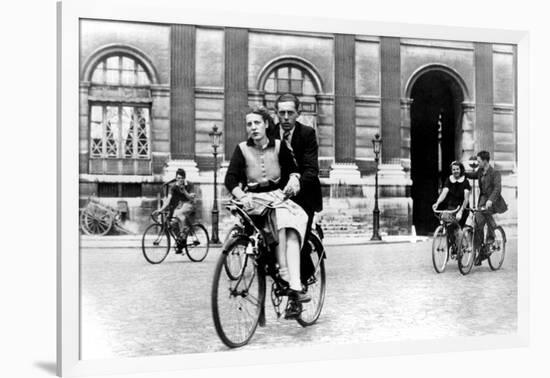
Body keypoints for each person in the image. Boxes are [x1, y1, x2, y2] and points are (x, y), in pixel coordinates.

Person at [224, 105, 311, 305]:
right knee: (279, 220)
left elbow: (293, 170)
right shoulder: (242, 149)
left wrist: (293, 180)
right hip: (253, 199)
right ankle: (284, 273)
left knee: (290, 228)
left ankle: (294, 282)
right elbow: (231, 178)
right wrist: (240, 194)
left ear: (265, 125)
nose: (253, 128)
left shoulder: (280, 146)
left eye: (257, 123)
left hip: (277, 197)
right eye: (249, 124)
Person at [267, 93, 323, 281]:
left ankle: (300, 287)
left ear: (297, 114)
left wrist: (298, 180)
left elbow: (311, 168)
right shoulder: (270, 134)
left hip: (305, 195)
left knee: (296, 240)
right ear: (276, 113)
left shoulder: (307, 134)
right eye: (281, 112)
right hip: (280, 195)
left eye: (290, 112)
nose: (285, 117)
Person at [465, 151, 508, 264]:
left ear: (485, 161)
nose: (478, 163)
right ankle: (480, 250)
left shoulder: (495, 173)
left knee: (487, 212)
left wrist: (490, 200)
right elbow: (473, 175)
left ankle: (491, 238)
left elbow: (497, 189)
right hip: (483, 199)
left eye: (479, 161)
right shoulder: (480, 171)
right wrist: (461, 173)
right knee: (478, 223)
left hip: (493, 200)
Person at [432, 161, 471, 251]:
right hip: (451, 207)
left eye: (457, 169)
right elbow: (444, 192)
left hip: (462, 208)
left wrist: (461, 212)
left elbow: (466, 199)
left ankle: (463, 244)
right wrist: (437, 203)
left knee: (457, 227)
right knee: (447, 223)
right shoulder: (449, 180)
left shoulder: (465, 181)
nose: (455, 171)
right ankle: (454, 245)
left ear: (460, 170)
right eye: (453, 169)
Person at [154, 168, 196, 250]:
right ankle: (180, 243)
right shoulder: (173, 187)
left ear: (184, 178)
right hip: (180, 206)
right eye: (178, 178)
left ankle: (183, 234)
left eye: (182, 178)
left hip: (189, 204)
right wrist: (161, 209)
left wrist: (184, 191)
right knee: (172, 225)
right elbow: (168, 199)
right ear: (176, 178)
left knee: (180, 213)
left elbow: (191, 197)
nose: (180, 180)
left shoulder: (190, 185)